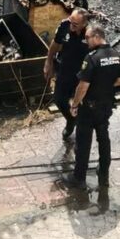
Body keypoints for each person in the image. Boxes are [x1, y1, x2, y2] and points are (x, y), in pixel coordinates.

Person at [62, 25, 120, 189]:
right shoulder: (116, 55)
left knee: (83, 141)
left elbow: (82, 86)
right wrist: (105, 87)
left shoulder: (92, 58)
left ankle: (79, 178)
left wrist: (74, 104)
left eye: (88, 37)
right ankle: (104, 174)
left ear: (97, 36)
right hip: (106, 105)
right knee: (104, 139)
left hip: (89, 107)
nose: (86, 41)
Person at [44, 8, 91, 141]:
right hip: (65, 69)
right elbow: (55, 43)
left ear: (84, 24)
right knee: (59, 99)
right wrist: (48, 62)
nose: (71, 26)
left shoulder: (91, 34)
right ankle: (71, 121)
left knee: (82, 104)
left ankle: (83, 130)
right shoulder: (64, 25)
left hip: (82, 74)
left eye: (75, 24)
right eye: (71, 21)